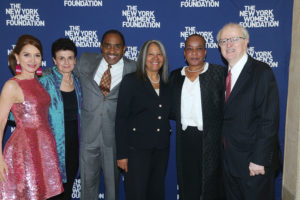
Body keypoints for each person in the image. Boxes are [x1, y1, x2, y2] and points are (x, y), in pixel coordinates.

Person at [217, 23, 280, 200]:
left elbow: (268, 120)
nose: (229, 44)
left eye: (234, 39)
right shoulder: (223, 76)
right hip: (229, 164)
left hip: (253, 165)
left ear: (246, 42)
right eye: (224, 41)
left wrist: (259, 160)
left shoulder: (261, 72)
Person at [74, 29, 136, 200]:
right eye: (107, 46)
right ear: (101, 47)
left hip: (114, 139)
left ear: (124, 49)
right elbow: (62, 70)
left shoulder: (134, 68)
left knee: (112, 187)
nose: (112, 50)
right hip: (88, 136)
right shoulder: (85, 61)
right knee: (87, 185)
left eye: (117, 47)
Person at [0, 35, 63, 199]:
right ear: (16, 57)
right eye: (27, 54)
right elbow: (1, 122)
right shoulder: (12, 85)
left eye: (37, 55)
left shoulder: (38, 81)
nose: (33, 60)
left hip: (44, 146)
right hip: (25, 149)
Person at [169, 34, 226, 200]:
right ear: (184, 53)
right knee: (188, 182)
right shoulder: (175, 77)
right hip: (185, 138)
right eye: (190, 49)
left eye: (199, 48)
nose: (194, 53)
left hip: (212, 138)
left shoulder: (219, 73)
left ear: (206, 52)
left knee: (211, 183)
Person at [116, 40, 171, 200]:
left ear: (164, 58)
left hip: (161, 149)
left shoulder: (167, 83)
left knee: (156, 193)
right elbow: (121, 118)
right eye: (151, 54)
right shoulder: (131, 81)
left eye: (159, 54)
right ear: (143, 57)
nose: (155, 57)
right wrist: (121, 154)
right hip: (136, 151)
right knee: (136, 193)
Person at [39, 38, 82, 200]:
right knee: (52, 193)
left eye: (70, 58)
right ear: (54, 60)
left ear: (75, 60)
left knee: (67, 190)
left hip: (74, 147)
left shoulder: (78, 82)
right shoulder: (45, 82)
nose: (66, 62)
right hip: (52, 149)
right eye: (61, 58)